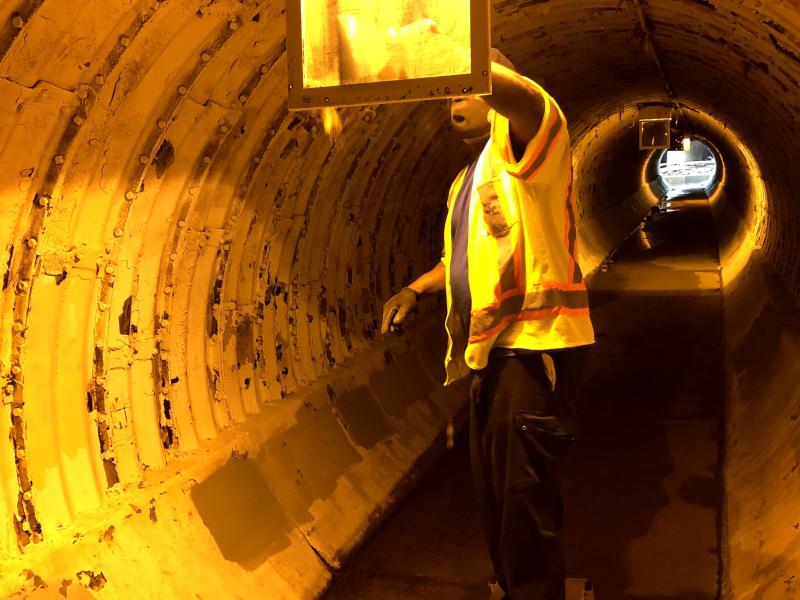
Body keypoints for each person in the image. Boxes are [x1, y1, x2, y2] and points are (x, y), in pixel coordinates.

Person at [380, 49, 595, 600]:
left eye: (464, 89)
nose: (452, 101)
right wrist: (416, 288)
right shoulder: (467, 181)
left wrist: (455, 47)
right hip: (492, 360)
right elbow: (461, 258)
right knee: (498, 503)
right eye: (450, 92)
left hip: (532, 352)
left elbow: (520, 95)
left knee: (525, 509)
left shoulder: (530, 142)